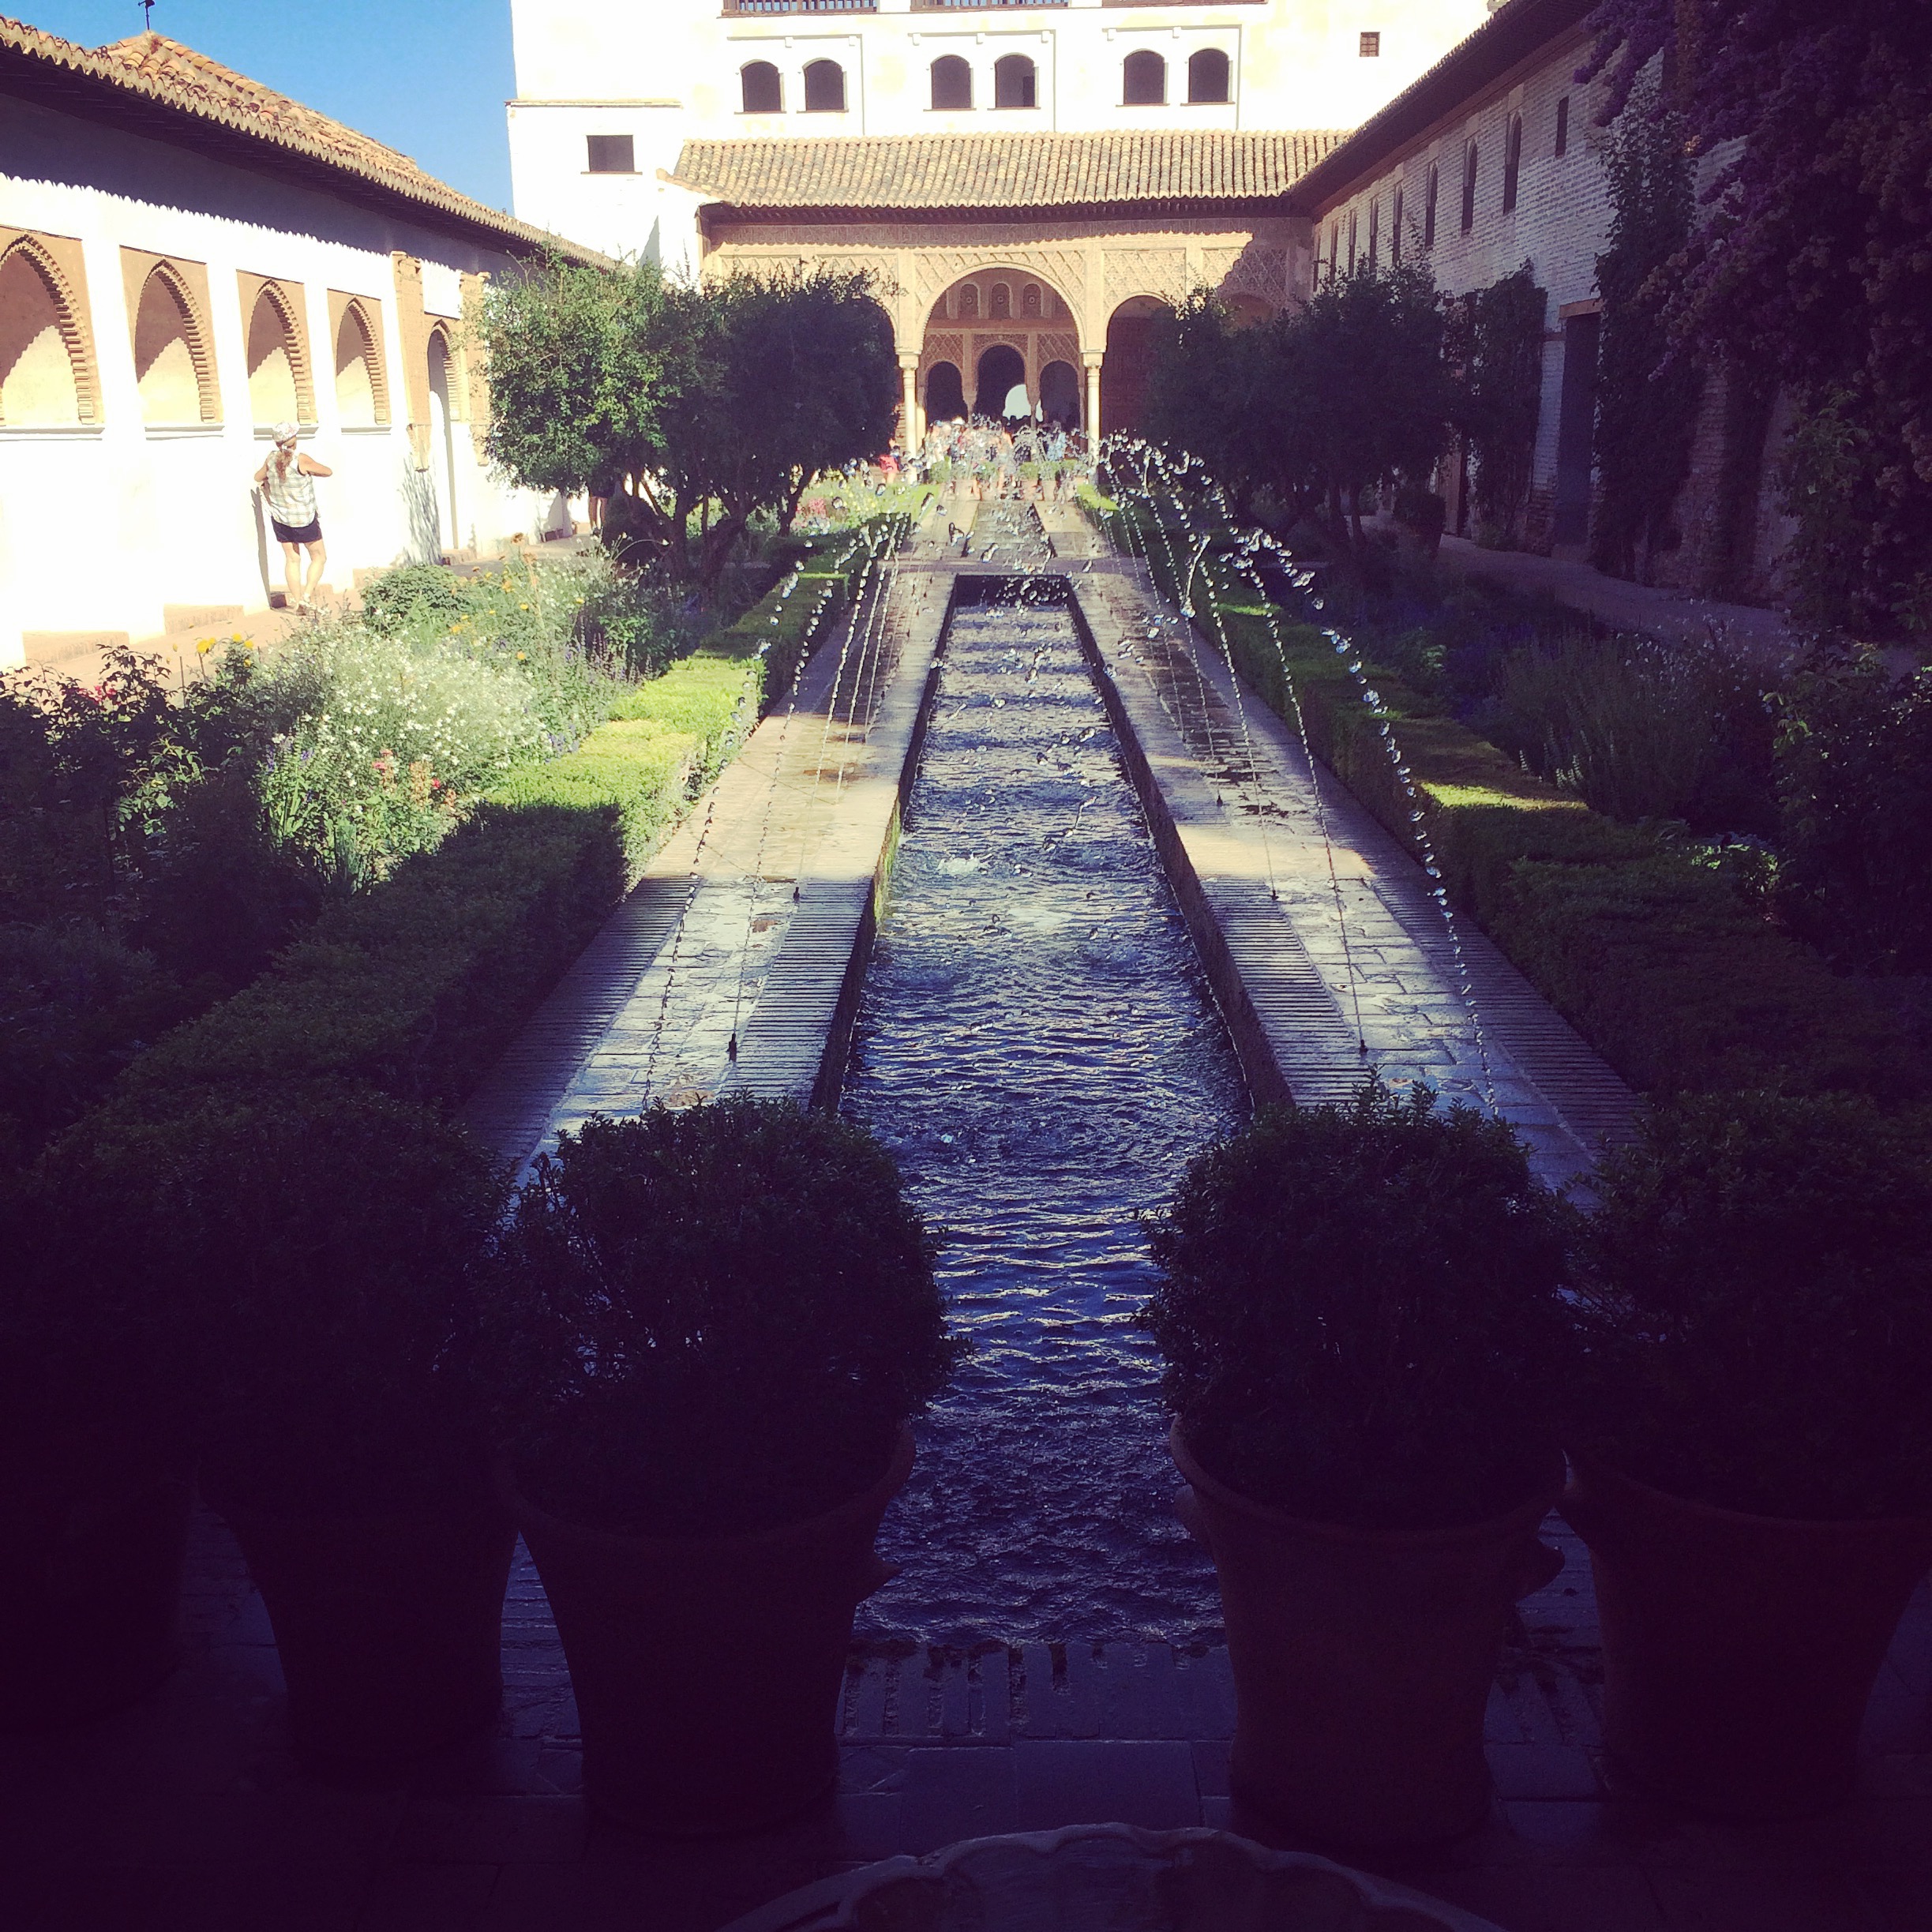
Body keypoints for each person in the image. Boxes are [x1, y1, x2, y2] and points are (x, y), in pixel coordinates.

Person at [253, 422, 332, 614]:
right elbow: (328, 471)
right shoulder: (301, 459)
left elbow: (258, 477)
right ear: (294, 439)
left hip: (281, 519)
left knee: (292, 559)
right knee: (319, 557)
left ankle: (298, 604)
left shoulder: (271, 459)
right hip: (304, 518)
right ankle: (306, 596)